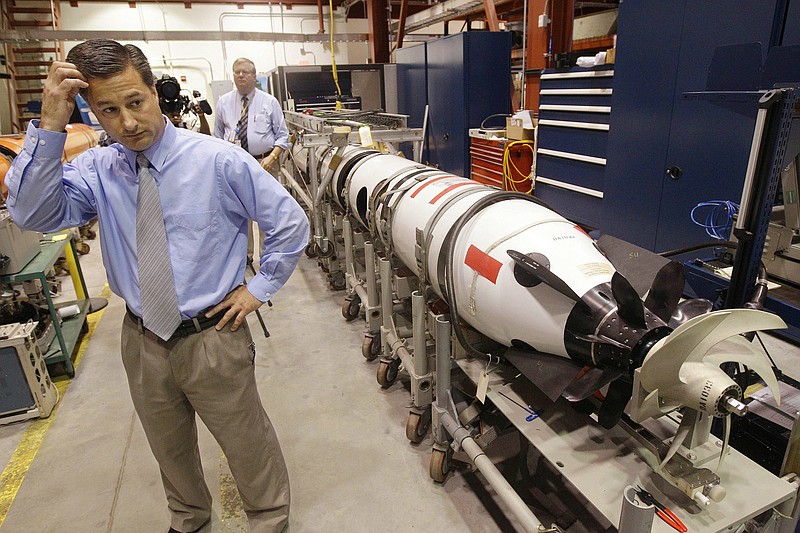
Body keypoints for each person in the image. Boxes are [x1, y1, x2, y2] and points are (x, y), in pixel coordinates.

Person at [4, 39, 308, 533]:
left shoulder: (217, 161)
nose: (127, 122)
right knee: (166, 443)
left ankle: (269, 517)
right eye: (108, 109)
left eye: (135, 102)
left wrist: (259, 288)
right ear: (92, 110)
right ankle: (188, 517)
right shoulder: (98, 170)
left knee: (245, 438)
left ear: (153, 91)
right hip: (143, 338)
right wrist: (51, 125)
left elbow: (290, 223)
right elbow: (30, 212)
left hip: (213, 335)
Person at [214, 58, 290, 264]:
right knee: (239, 212)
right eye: (237, 71)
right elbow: (217, 136)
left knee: (267, 211)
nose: (240, 75)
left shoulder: (269, 102)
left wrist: (272, 158)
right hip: (235, 165)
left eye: (245, 72)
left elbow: (283, 136)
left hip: (264, 163)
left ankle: (268, 255)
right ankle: (244, 256)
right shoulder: (224, 102)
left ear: (254, 76)